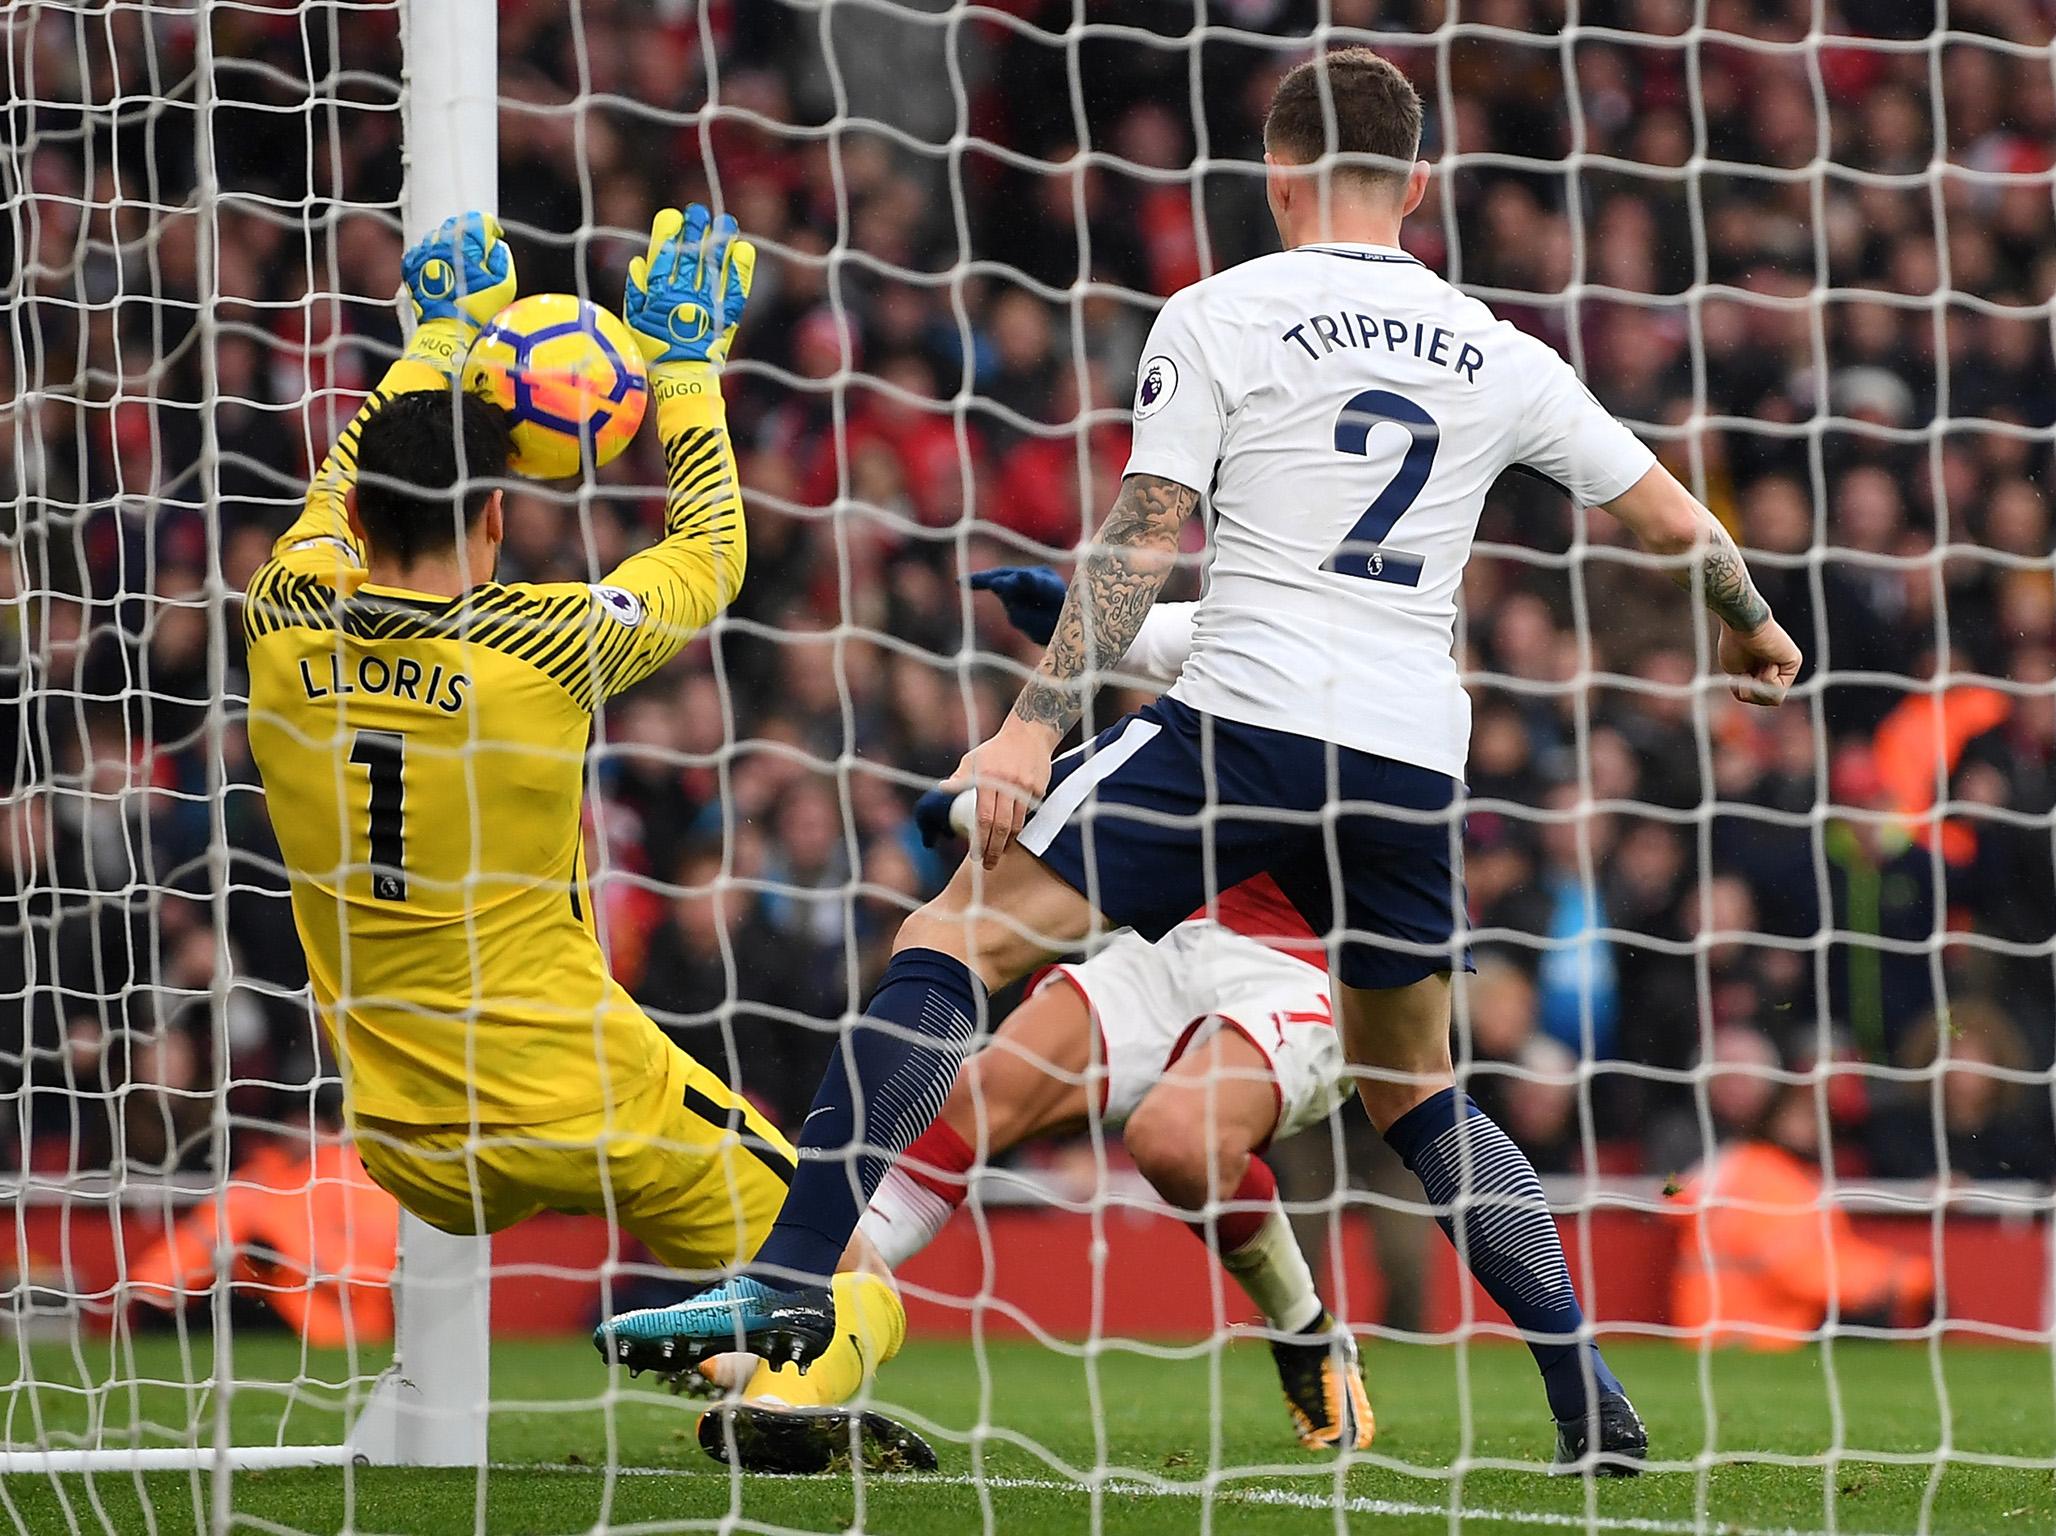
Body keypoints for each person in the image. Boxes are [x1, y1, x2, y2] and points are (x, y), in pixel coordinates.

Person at [608, 49, 1801, 1475]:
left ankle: (795, 1278)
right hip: (1412, 760)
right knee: (1414, 1085)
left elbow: (1140, 534)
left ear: (1277, 174)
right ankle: (1587, 1397)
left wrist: (1026, 728)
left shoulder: (1223, 313)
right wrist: (1757, 628)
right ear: (1420, 186)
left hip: (1245, 723)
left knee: (957, 934)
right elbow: (1679, 527)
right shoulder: (1501, 349)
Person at [243, 207, 921, 1473]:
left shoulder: (282, 609)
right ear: (495, 521)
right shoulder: (541, 643)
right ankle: (773, 1400)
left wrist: (436, 339)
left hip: (400, 1135)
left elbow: (344, 479)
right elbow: (711, 555)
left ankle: (729, 1348)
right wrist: (679, 368)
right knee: (847, 1249)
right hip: (578, 1098)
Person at [860, 566, 1371, 1452]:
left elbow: (1188, 763)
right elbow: (1155, 659)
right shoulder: (1247, 618)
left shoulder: (1386, 670)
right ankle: (821, 1327)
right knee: (975, 1100)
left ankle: (1304, 1326)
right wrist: (1071, 610)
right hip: (1176, 940)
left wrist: (1004, 797)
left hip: (1304, 971)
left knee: (1174, 1142)